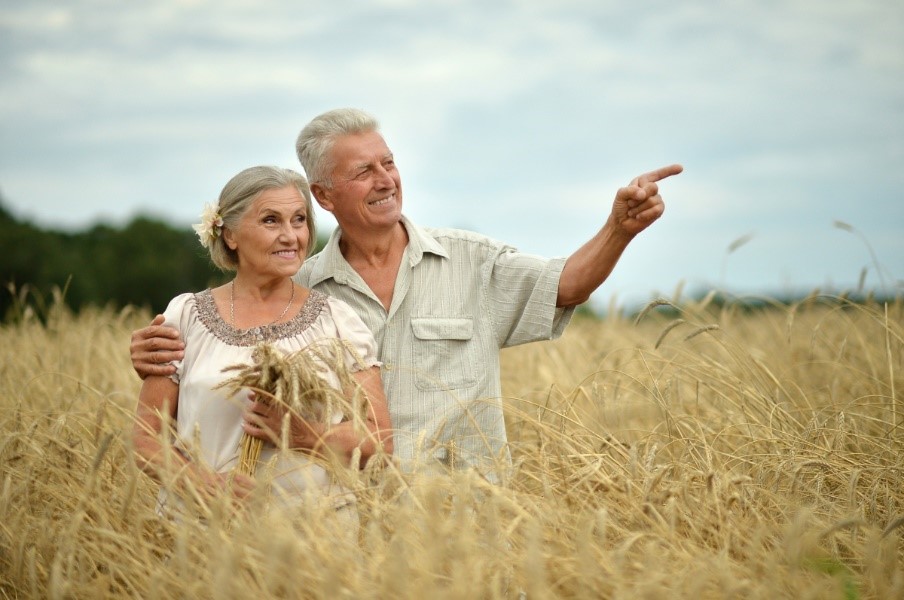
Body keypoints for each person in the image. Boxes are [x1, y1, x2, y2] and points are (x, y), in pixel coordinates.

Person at [131, 108, 682, 483]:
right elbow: (225, 360)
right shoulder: (299, 291)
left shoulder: (470, 259)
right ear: (323, 195)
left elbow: (567, 285)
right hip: (348, 518)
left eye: (388, 162)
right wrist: (160, 355)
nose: (385, 179)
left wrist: (619, 230)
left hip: (466, 508)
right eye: (363, 171)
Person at [131, 165, 392, 524]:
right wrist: (202, 485)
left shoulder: (339, 321)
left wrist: (300, 433)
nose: (290, 236)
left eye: (298, 220)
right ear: (231, 235)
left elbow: (378, 442)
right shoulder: (185, 317)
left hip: (316, 538)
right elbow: (146, 440)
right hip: (200, 534)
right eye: (271, 221)